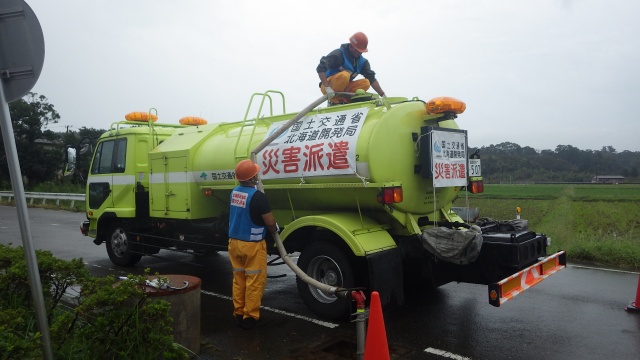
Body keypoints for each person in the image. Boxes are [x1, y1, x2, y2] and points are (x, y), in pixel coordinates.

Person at [228, 159, 278, 330]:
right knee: (254, 281)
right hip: (252, 246)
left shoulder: (234, 193)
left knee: (239, 280)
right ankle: (250, 318)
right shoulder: (259, 197)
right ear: (252, 177)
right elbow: (270, 223)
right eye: (255, 173)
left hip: (234, 243)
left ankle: (239, 313)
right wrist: (275, 228)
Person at [316, 31, 386, 104]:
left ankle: (346, 100)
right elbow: (320, 68)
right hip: (328, 86)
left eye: (362, 51)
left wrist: (383, 95)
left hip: (344, 88)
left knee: (366, 83)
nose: (360, 53)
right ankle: (334, 101)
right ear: (352, 47)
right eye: (359, 51)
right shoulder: (338, 54)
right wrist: (327, 88)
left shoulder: (362, 62)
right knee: (345, 75)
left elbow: (372, 79)